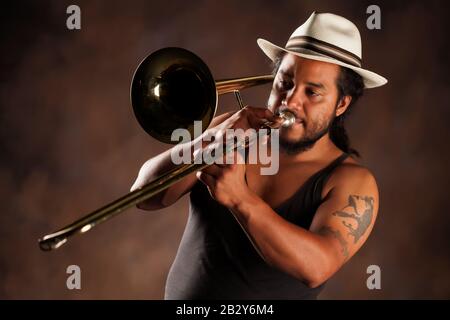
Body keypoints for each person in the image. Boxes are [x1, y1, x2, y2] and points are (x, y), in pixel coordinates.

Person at [131, 12, 387, 299]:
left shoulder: (353, 181)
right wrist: (208, 140)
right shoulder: (232, 129)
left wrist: (240, 199)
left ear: (341, 104)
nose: (290, 102)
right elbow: (145, 197)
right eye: (285, 83)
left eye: (312, 92)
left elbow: (316, 268)